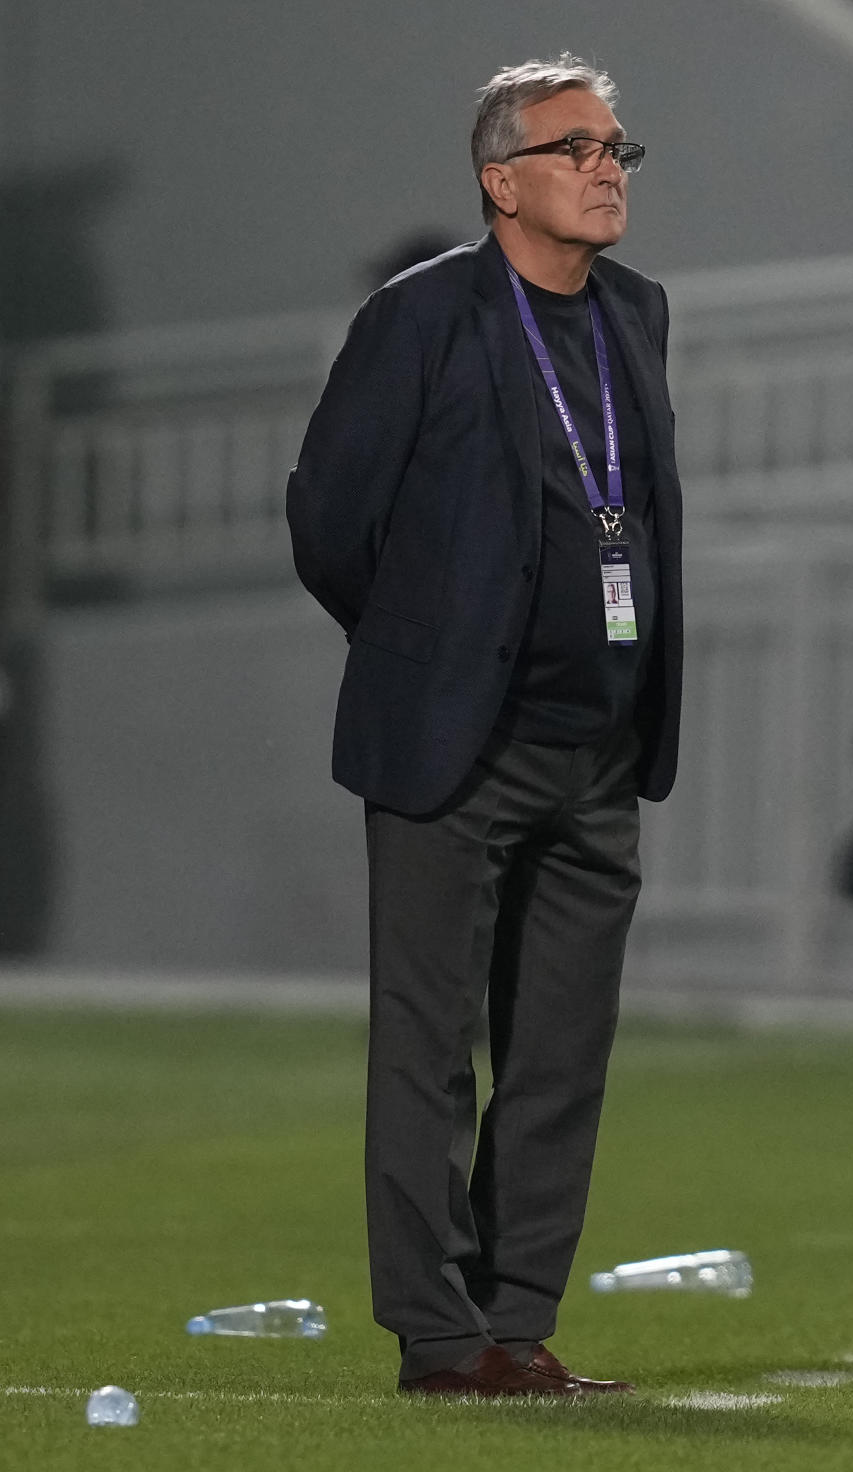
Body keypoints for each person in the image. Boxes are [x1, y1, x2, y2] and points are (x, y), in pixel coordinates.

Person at [286, 53, 683, 1396]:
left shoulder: (639, 311)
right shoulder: (422, 319)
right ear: (499, 179)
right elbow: (331, 521)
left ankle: (519, 1326)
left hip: (602, 748)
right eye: (576, 149)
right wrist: (424, 653)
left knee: (561, 1057)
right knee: (429, 1049)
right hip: (460, 745)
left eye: (618, 148)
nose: (606, 169)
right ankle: (440, 1343)